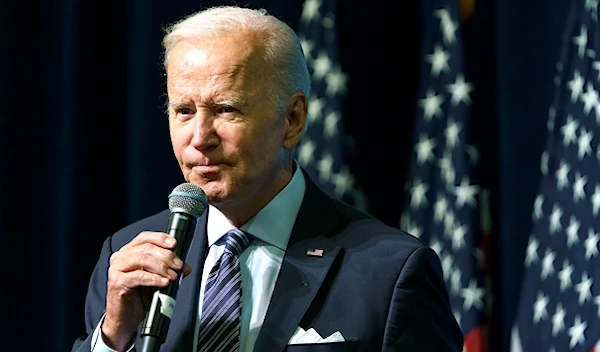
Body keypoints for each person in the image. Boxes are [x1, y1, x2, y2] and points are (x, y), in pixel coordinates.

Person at [72, 4, 463, 352]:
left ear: (291, 120)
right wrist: (112, 338)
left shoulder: (390, 273)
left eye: (226, 109)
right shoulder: (127, 256)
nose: (199, 138)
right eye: (184, 111)